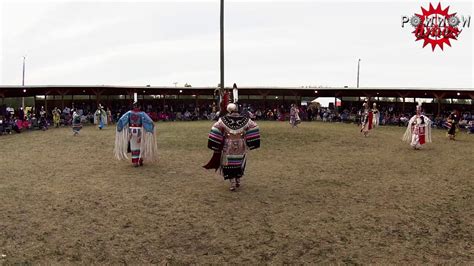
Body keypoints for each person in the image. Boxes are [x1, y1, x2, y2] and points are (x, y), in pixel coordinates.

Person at [203, 103, 261, 191]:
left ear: (228, 110)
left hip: (228, 143)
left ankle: (233, 183)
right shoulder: (245, 119)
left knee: (229, 163)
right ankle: (238, 180)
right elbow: (254, 126)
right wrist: (250, 140)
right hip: (241, 143)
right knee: (239, 161)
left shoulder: (223, 120)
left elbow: (215, 128)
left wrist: (216, 142)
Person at [114, 101, 158, 167]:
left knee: (134, 146)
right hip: (139, 132)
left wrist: (119, 126)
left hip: (131, 131)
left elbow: (121, 120)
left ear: (133, 106)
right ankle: (140, 159)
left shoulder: (129, 113)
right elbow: (149, 121)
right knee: (141, 145)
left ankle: (135, 161)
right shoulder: (142, 114)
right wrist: (151, 126)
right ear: (139, 107)